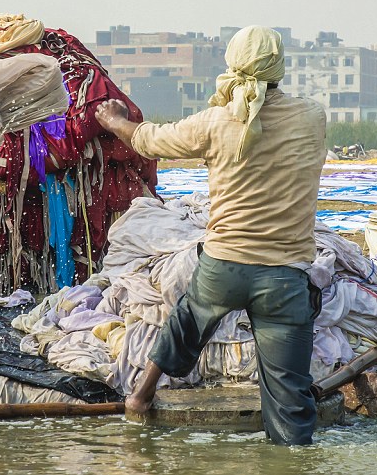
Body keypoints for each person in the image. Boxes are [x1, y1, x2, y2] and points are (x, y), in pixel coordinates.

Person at [94, 25, 327, 445]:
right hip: (284, 277)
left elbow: (150, 142)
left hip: (223, 267)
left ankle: (140, 397)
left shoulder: (216, 122)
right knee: (290, 398)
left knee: (186, 321)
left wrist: (116, 122)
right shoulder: (312, 118)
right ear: (279, 68)